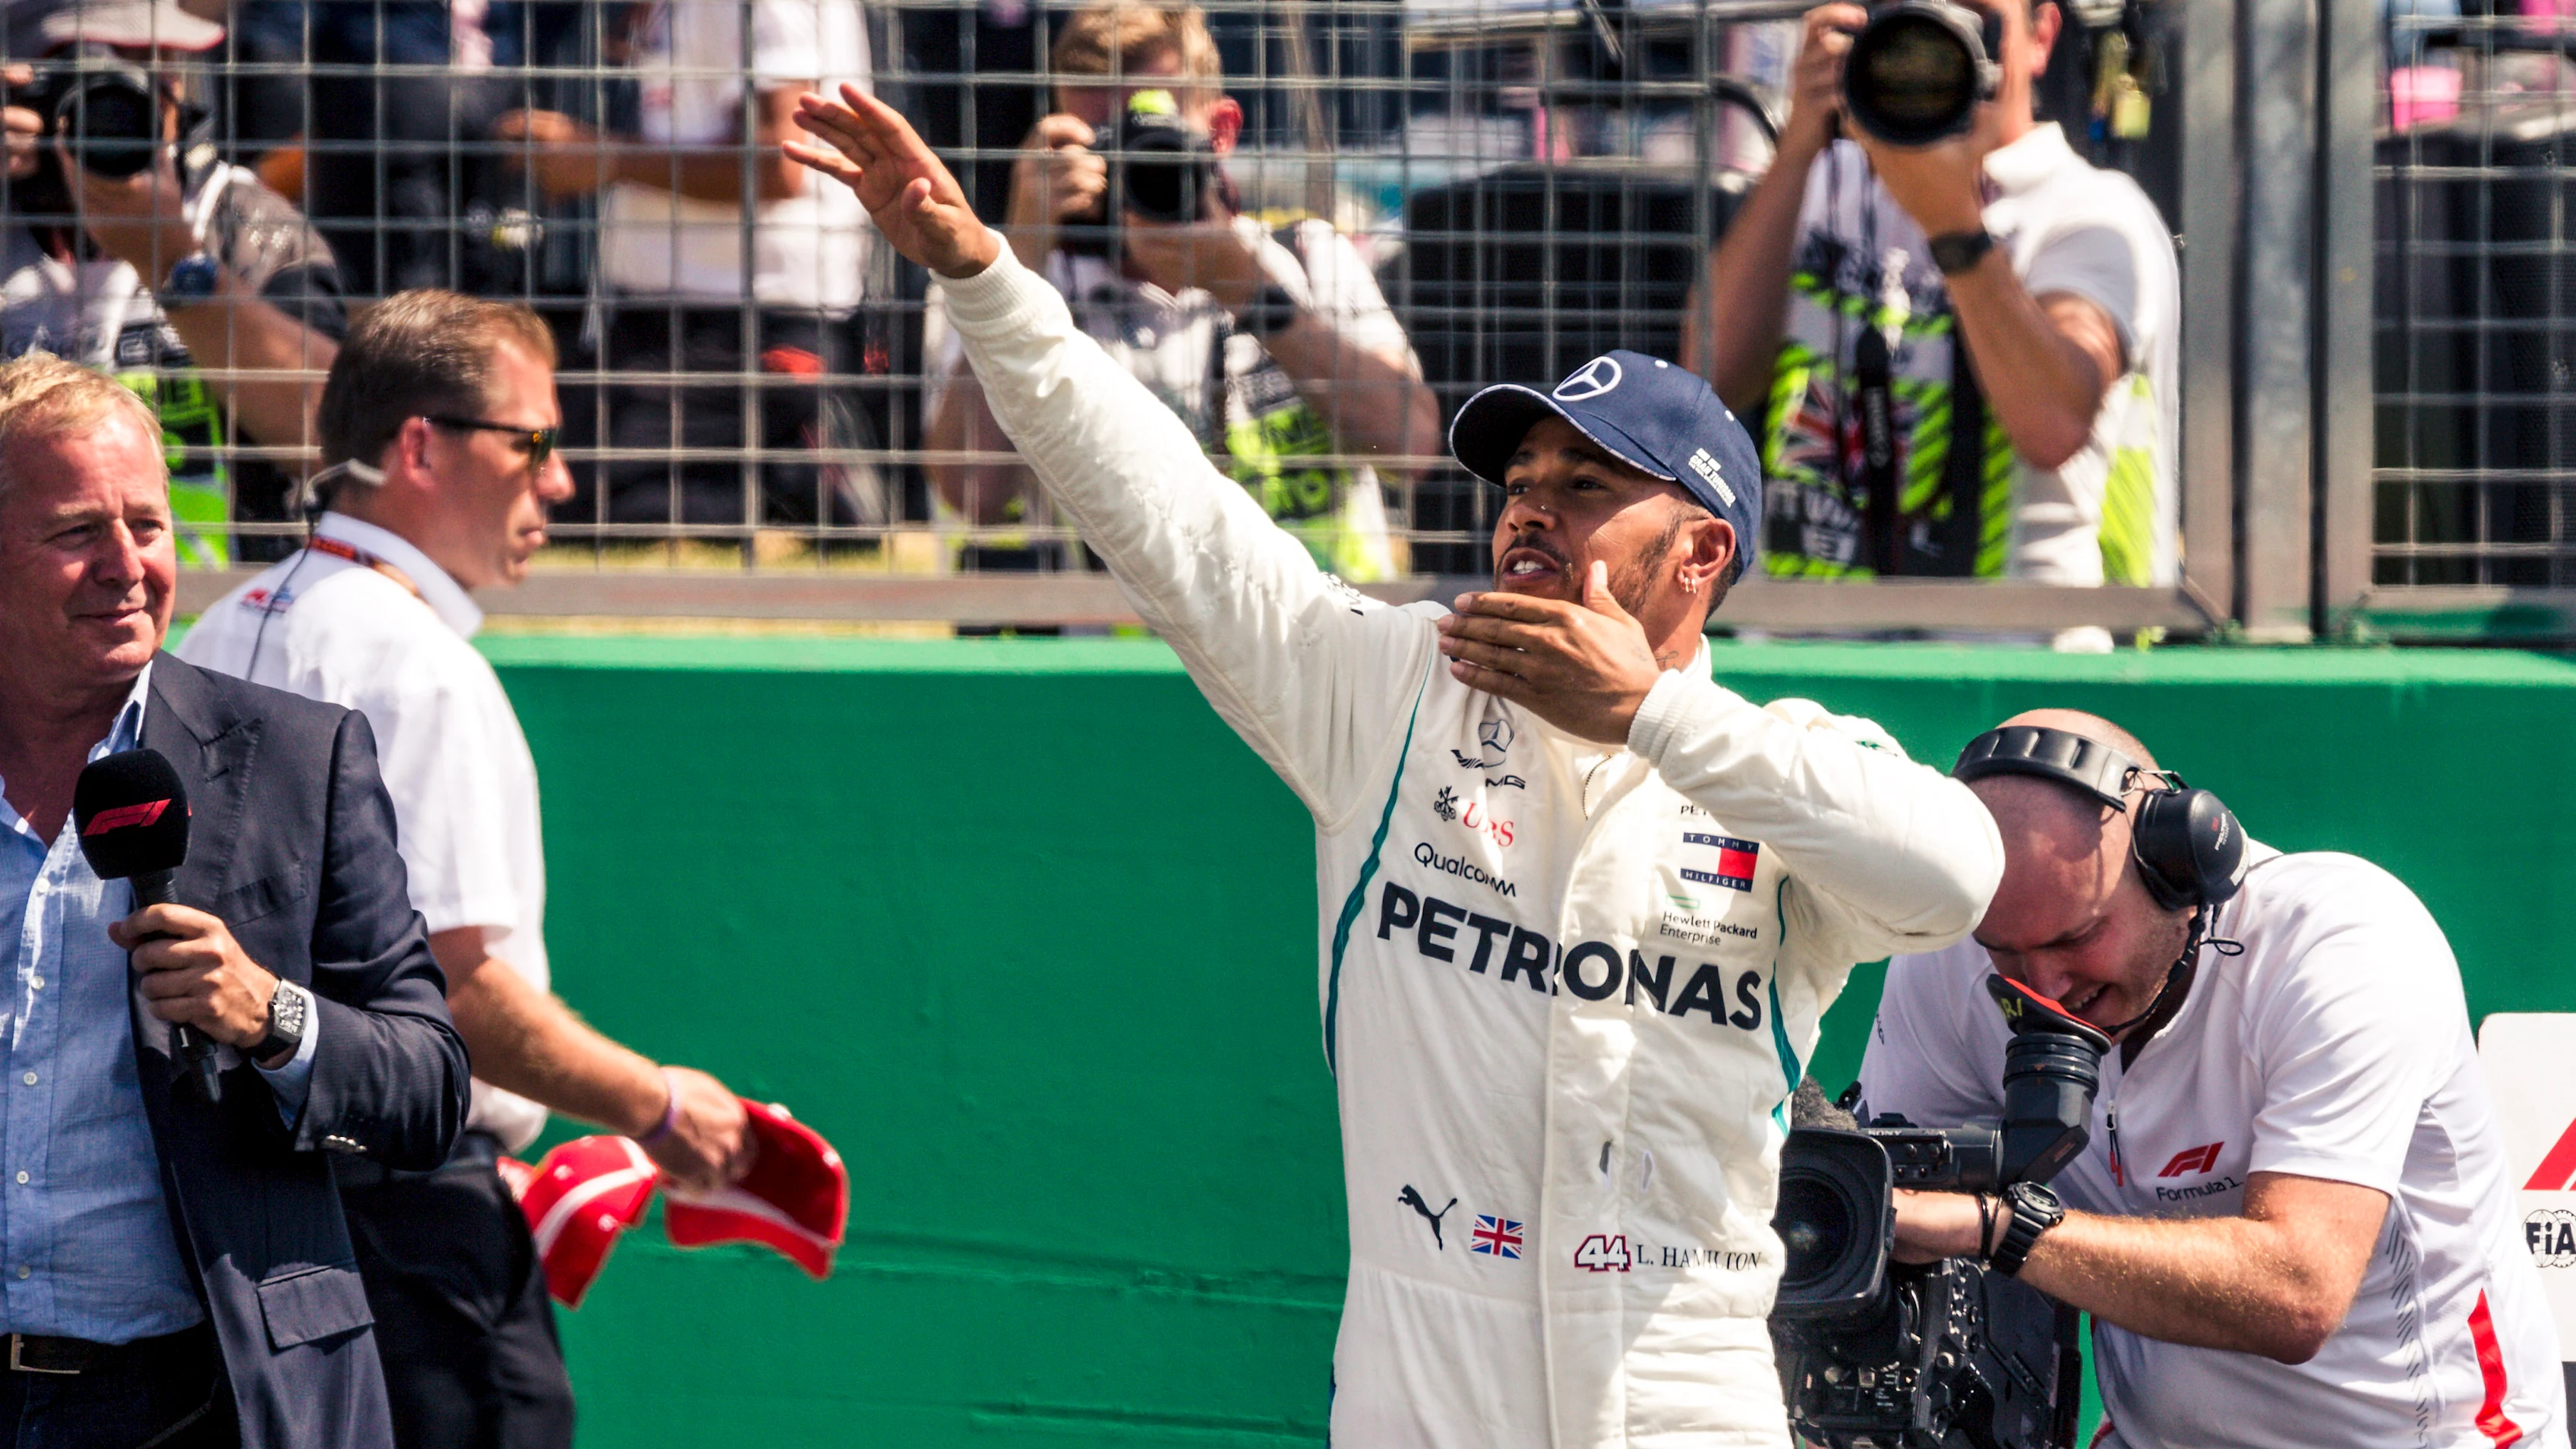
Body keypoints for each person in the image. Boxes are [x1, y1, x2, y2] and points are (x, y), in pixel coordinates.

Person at [787, 92, 2004, 1446]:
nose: (1532, 504)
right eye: (1519, 477)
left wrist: (1653, 715)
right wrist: (983, 279)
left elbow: (1955, 875)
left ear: (1701, 552)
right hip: (1420, 1398)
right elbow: (1165, 516)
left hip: (1687, 1401)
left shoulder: (1778, 766)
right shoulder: (1389, 686)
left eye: (1589, 484)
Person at [178, 291, 761, 1449]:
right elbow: (458, 995)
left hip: (229, 1214)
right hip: (407, 1223)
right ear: (418, 447)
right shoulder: (421, 668)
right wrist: (657, 1103)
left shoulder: (219, 626)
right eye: (535, 441)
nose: (561, 483)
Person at [1856, 710, 2567, 1448]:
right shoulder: (1950, 962)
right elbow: (1893, 1206)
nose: (2044, 987)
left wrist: (1995, 1229)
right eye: (2006, 952)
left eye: (2076, 937)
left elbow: (2295, 1294)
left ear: (2179, 867)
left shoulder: (2342, 944)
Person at [0, 352, 465, 1443]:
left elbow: (429, 1084)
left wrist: (270, 1016)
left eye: (149, 527)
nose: (127, 566)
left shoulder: (301, 762)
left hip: (199, 1402)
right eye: (77, 532)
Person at [1684, 0, 2179, 624]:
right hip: (1801, 650)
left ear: (2039, 36)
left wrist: (1952, 223)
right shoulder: (1815, 186)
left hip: (2019, 669)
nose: (1930, 48)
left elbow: (2053, 425)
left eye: (1971, 16)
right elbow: (1706, 387)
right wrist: (1799, 143)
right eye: (1909, 16)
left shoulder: (2094, 212)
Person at [920, 0, 1435, 581]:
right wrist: (1023, 256)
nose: (1131, 166)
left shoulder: (1307, 257)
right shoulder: (1017, 290)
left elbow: (1411, 446)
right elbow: (972, 495)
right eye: (1105, 144)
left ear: (1220, 132)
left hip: (1321, 642)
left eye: (1155, 140)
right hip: (1122, 658)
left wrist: (1251, 291)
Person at [491, 0, 878, 534]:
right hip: (667, 318)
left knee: (557, 493)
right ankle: (774, 465)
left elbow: (779, 165)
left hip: (757, 321)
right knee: (534, 467)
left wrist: (606, 158)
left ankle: (796, 470)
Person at [1, 0, 348, 565]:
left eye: (162, 62)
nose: (144, 90)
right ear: (20, 84)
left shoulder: (240, 217)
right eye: (99, 68)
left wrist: (169, 258)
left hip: (221, 613)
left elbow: (334, 439)